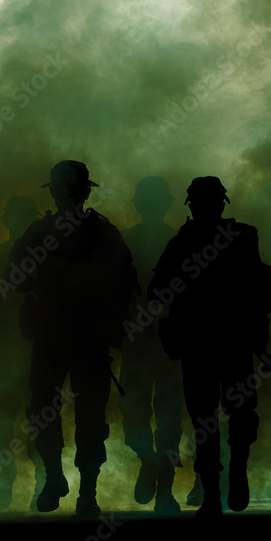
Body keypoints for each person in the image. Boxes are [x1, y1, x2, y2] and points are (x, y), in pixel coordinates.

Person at [6, 160, 135, 517]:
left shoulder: (98, 233)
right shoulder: (76, 232)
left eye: (69, 189)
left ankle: (84, 490)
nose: (70, 196)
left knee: (84, 416)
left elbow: (126, 283)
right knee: (49, 413)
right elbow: (13, 276)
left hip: (83, 337)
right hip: (56, 335)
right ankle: (59, 481)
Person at [148, 176, 271, 519]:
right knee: (212, 418)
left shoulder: (220, 241)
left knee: (229, 417)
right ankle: (218, 488)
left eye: (209, 202)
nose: (207, 207)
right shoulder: (199, 242)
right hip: (210, 344)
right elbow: (158, 292)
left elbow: (261, 292)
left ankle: (228, 480)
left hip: (220, 343)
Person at [119, 177, 185, 514]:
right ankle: (152, 463)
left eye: (156, 200)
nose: (150, 206)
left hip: (171, 341)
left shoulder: (181, 241)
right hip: (137, 342)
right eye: (147, 200)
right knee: (134, 422)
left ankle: (165, 489)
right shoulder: (125, 242)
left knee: (170, 421)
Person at [0, 195, 45, 510]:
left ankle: (41, 479)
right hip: (3, 349)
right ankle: (8, 472)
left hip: (36, 347)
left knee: (39, 418)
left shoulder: (46, 256)